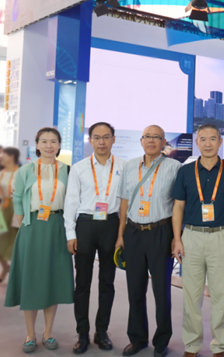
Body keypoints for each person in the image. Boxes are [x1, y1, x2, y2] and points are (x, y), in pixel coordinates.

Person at [172, 124, 224, 357]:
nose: (207, 143)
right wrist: (177, 239)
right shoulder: (185, 172)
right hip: (191, 237)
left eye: (212, 139)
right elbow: (178, 207)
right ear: (197, 143)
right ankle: (192, 345)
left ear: (220, 142)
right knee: (191, 296)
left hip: (221, 237)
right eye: (202, 139)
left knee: (220, 295)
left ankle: (219, 346)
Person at [5, 127, 74, 353]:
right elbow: (17, 199)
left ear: (59, 145)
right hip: (32, 227)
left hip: (57, 228)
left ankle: (48, 333)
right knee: (32, 279)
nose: (48, 145)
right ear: (36, 145)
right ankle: (30, 334)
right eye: (44, 141)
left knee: (52, 279)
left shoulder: (67, 170)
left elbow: (72, 201)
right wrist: (26, 224)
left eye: (53, 141)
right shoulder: (26, 170)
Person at [118, 125, 181, 357]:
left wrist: (176, 238)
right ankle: (138, 338)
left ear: (164, 142)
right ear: (141, 140)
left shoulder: (174, 167)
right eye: (147, 137)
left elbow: (178, 205)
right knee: (135, 289)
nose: (151, 140)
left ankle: (162, 340)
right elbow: (124, 202)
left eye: (157, 137)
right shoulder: (130, 166)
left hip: (160, 232)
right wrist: (120, 235)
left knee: (161, 290)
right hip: (133, 232)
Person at [64, 122, 126, 354]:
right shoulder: (79, 168)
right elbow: (71, 201)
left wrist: (122, 234)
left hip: (111, 224)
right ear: (90, 140)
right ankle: (82, 332)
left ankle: (102, 331)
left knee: (107, 282)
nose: (101, 142)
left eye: (106, 137)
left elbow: (126, 202)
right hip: (86, 225)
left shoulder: (124, 167)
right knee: (82, 283)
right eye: (97, 137)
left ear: (113, 139)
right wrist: (70, 233)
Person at [0, 147, 21, 284]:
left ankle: (17, 273)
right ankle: (5, 268)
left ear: (12, 156)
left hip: (18, 208)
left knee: (18, 241)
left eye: (4, 155)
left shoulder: (22, 172)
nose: (1, 157)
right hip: (3, 207)